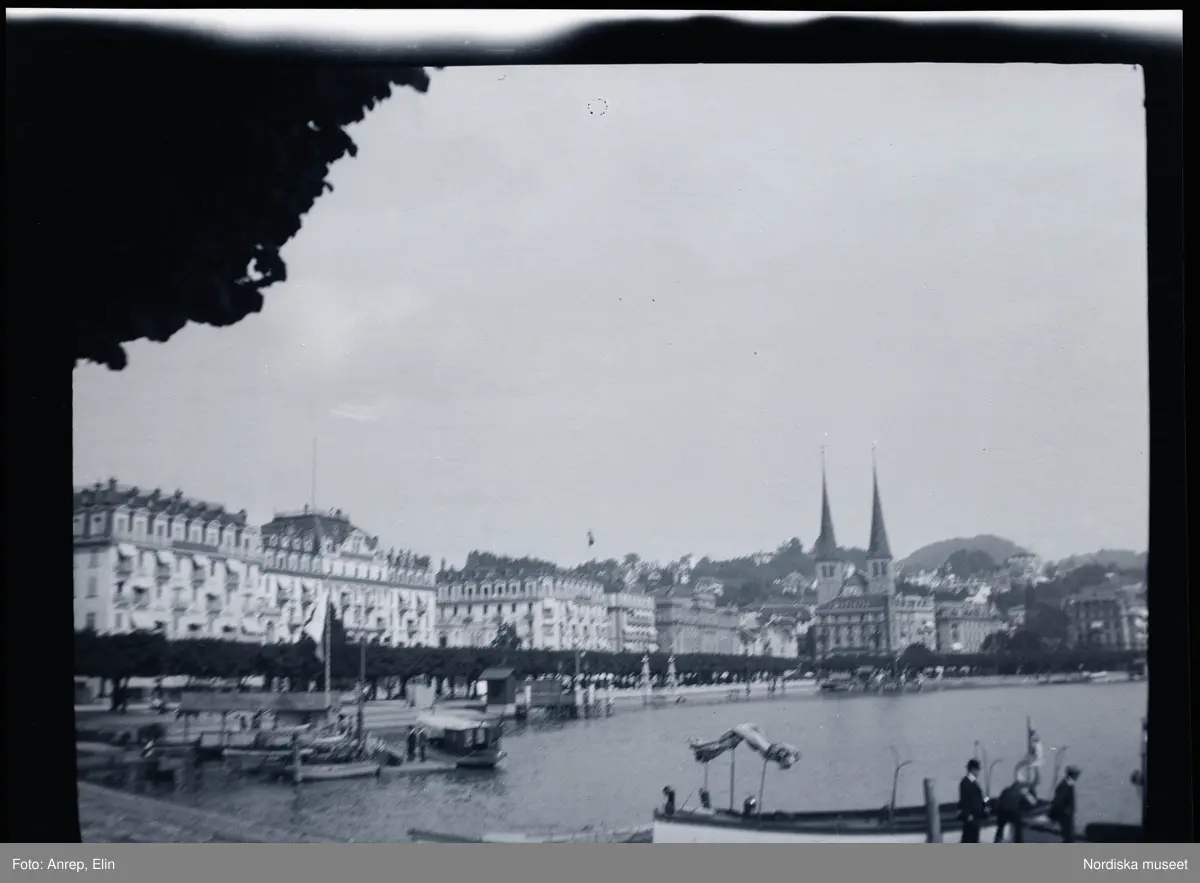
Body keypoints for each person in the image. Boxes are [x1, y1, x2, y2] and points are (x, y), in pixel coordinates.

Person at [958, 759, 987, 843]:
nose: (978, 773)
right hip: (971, 817)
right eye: (977, 770)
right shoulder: (966, 783)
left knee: (972, 838)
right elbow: (964, 800)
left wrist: (986, 800)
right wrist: (968, 814)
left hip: (976, 817)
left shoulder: (974, 783)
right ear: (973, 770)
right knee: (969, 838)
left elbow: (981, 797)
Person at [1050, 766, 1080, 842]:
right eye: (1077, 774)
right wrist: (1065, 811)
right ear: (1072, 775)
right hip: (1065, 815)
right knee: (1068, 835)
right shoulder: (1065, 785)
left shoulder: (1068, 783)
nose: (1078, 776)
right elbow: (1059, 800)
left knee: (1068, 835)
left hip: (1067, 814)